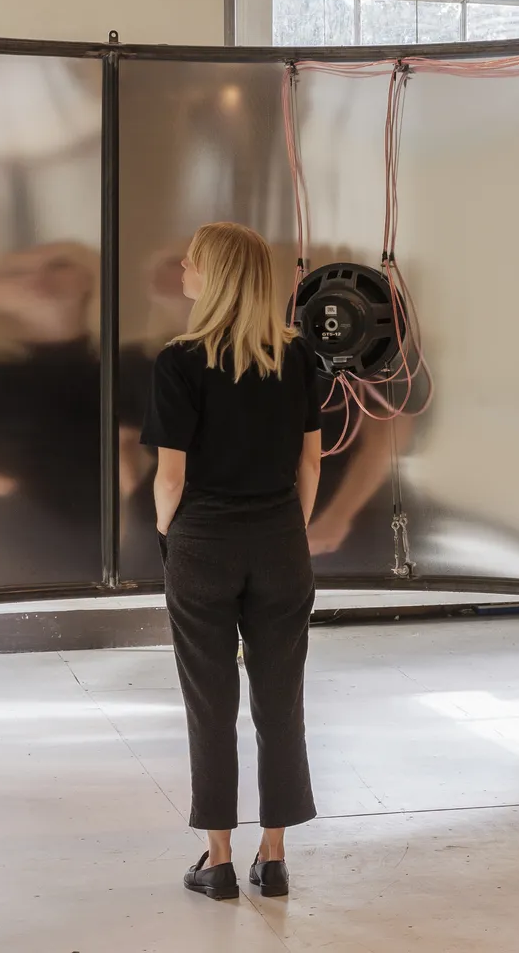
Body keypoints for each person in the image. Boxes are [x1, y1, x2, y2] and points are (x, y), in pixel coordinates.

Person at [141, 221, 323, 901]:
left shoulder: (179, 363)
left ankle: (216, 861)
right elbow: (311, 459)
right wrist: (288, 528)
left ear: (211, 277)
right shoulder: (298, 357)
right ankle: (272, 855)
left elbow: (169, 480)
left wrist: (171, 536)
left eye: (190, 262)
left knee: (209, 704)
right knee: (281, 702)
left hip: (202, 546)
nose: (183, 270)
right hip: (280, 540)